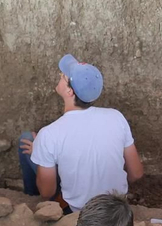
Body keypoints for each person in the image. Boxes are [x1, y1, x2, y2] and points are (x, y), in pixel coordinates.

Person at [19, 54, 143, 212]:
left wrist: (40, 153)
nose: (59, 76)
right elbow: (137, 173)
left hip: (77, 212)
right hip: (116, 207)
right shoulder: (116, 117)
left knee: (26, 139)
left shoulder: (49, 134)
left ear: (70, 92)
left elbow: (47, 191)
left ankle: (32, 204)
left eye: (63, 76)